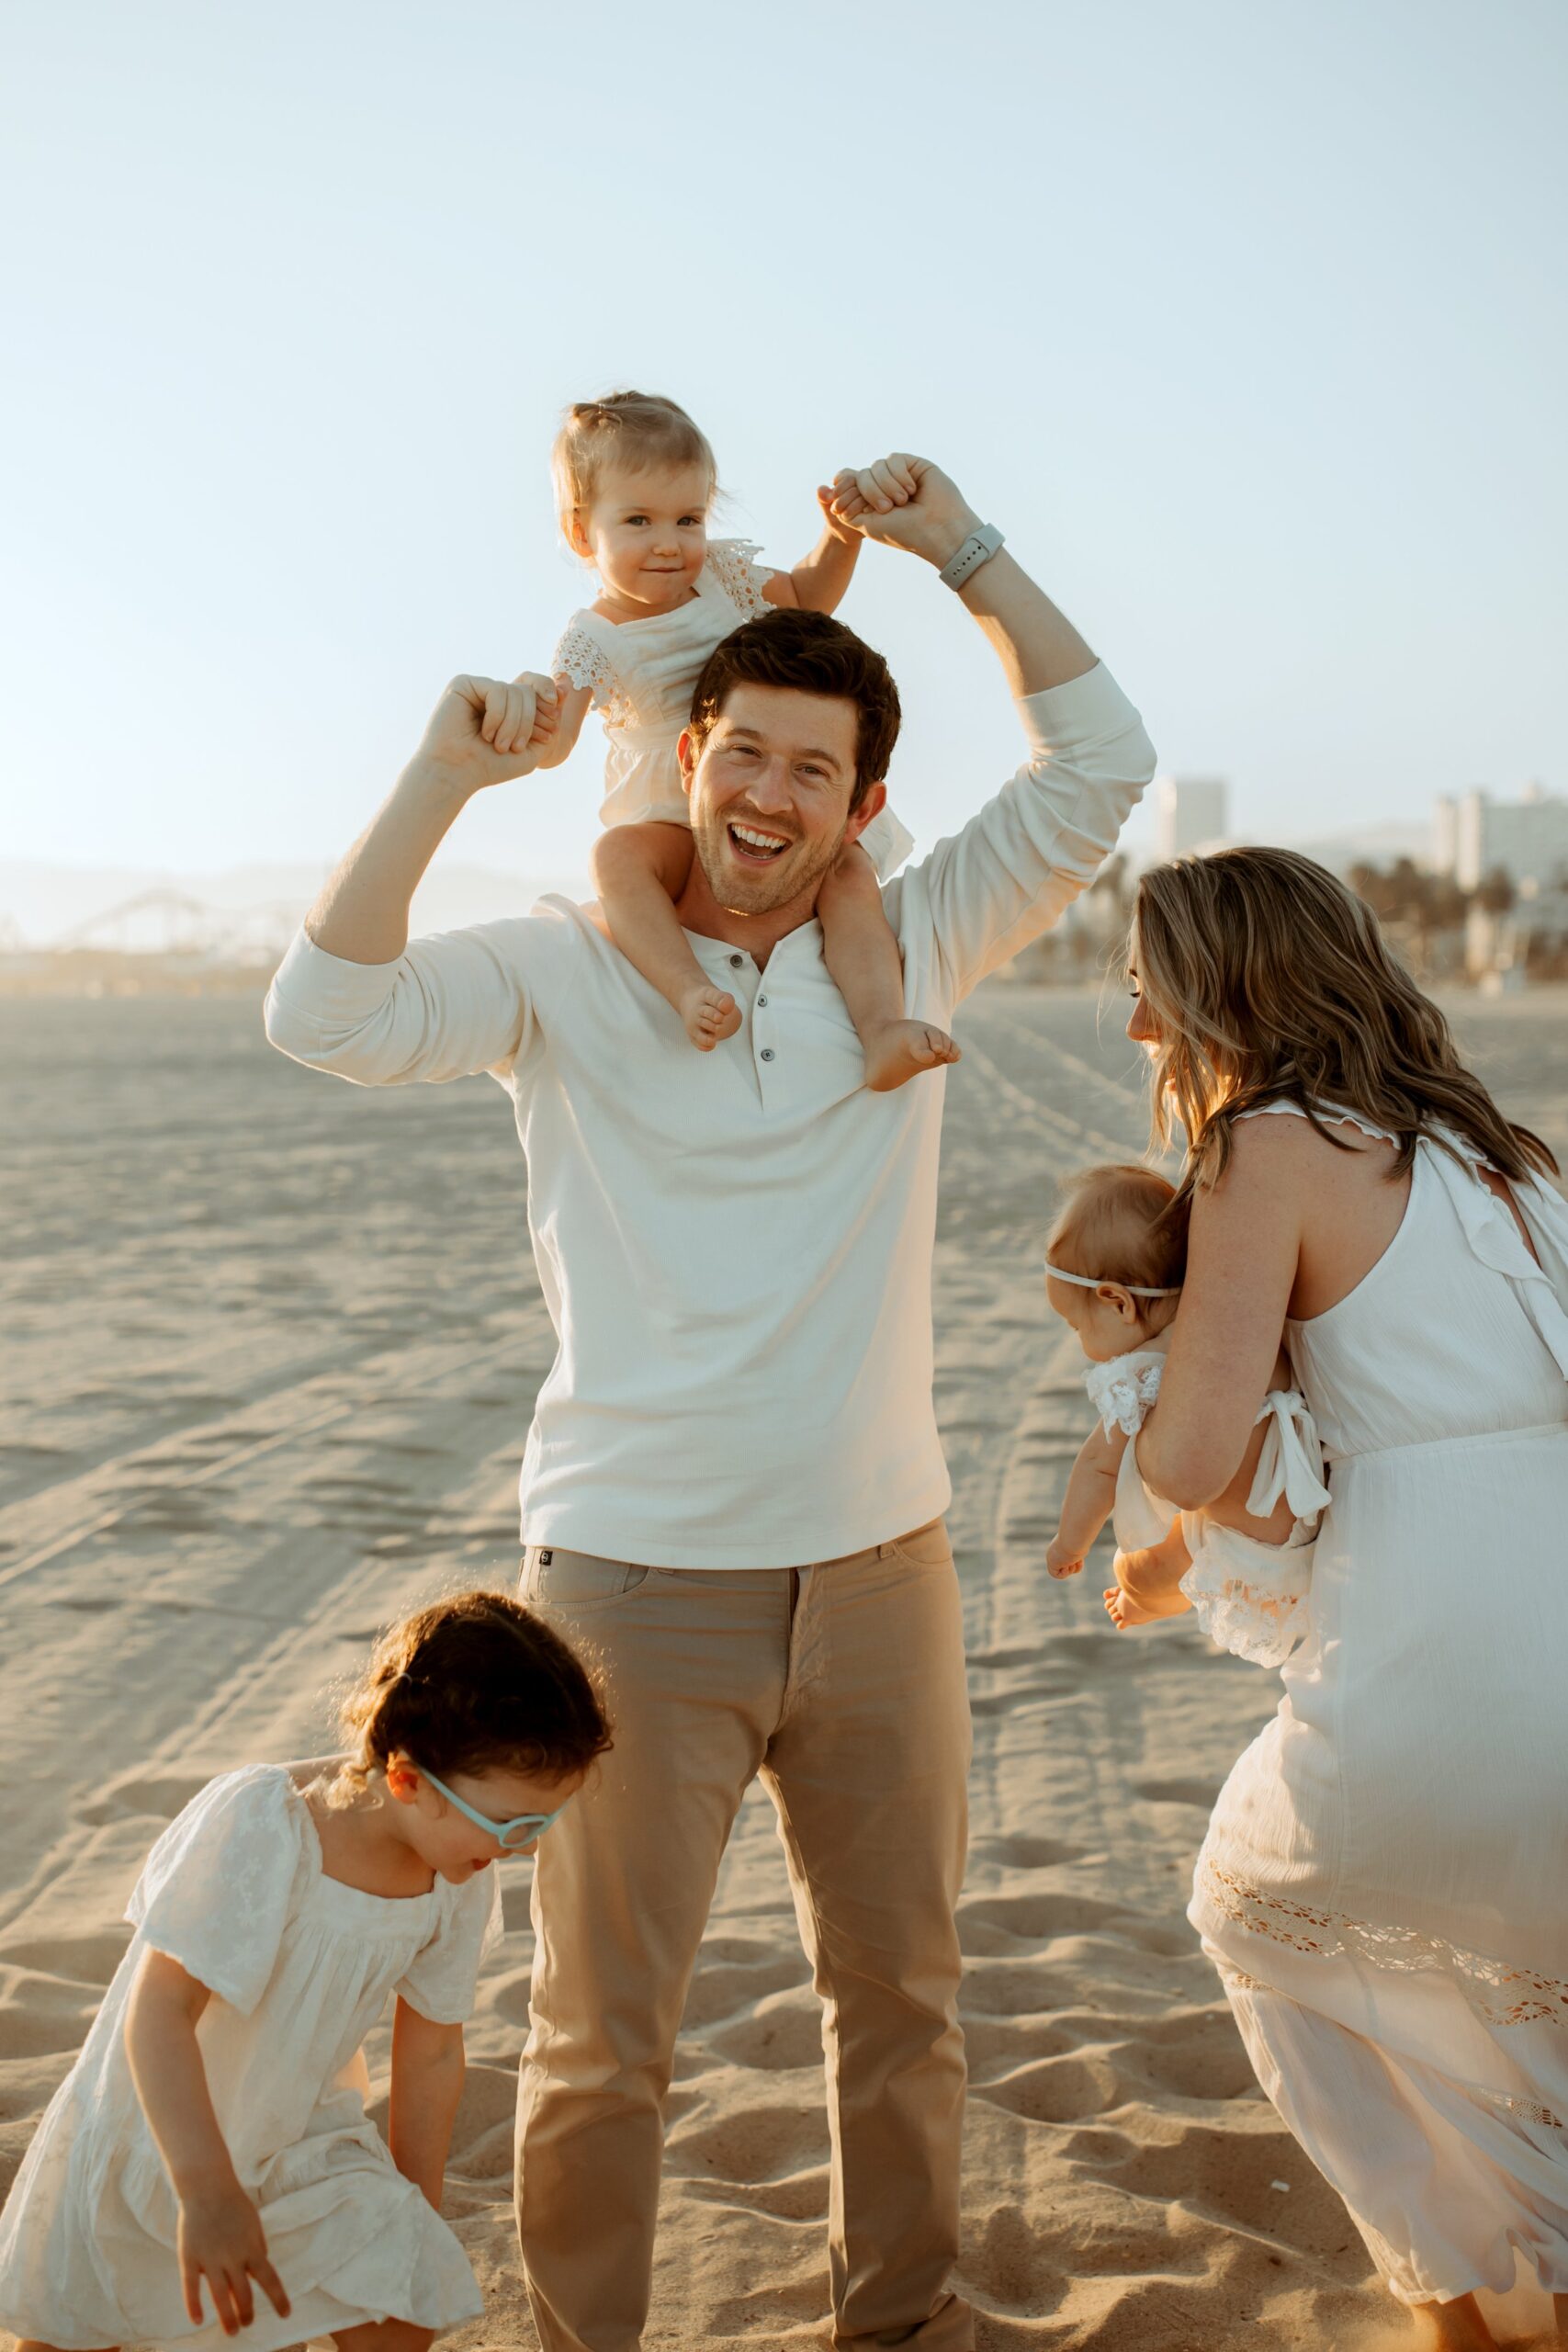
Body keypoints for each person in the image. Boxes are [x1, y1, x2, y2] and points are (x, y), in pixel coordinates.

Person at [263, 449, 1156, 2352]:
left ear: (862, 802)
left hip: (881, 1571)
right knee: (601, 2039)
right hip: (625, 1587)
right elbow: (320, 1016)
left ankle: (892, 2327)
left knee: (904, 2001)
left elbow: (1099, 761)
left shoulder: (910, 940)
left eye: (808, 767)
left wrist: (962, 552)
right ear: (690, 756)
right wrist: (443, 775)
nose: (764, 792)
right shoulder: (569, 972)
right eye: (738, 751)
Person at [1122, 846, 1568, 2350]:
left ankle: (1451, 2300)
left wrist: (1123, 1361)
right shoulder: (1495, 1149)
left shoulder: (1262, 1147)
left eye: (1147, 990)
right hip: (1550, 1574)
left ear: (1212, 991)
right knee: (1522, 1968)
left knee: (1259, 1906)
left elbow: (1196, 1454)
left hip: (1441, 1619)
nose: (1137, 1029)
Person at [0, 1590, 610, 2352]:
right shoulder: (268, 1823)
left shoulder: (456, 1871)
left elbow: (430, 2054)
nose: (524, 1847)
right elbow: (157, 2014)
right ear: (407, 1778)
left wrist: (413, 2217)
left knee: (402, 2304)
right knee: (81, 2327)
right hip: (165, 2135)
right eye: (511, 1823)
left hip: (298, 2136)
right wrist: (208, 2193)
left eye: (544, 1823)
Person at [536, 389, 957, 1090]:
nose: (668, 542)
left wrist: (840, 536)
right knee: (617, 859)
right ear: (583, 533)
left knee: (848, 875)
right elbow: (554, 742)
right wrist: (526, 706)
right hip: (675, 808)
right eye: (637, 520)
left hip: (754, 777)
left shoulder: (722, 577)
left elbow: (806, 594)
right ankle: (684, 988)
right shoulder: (593, 637)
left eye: (688, 517)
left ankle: (880, 1025)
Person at [1042, 1162, 1328, 1659]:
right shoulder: (1243, 1319)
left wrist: (1069, 1544)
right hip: (1312, 1519)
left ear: (1117, 1303)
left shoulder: (1147, 1366)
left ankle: (1146, 1603)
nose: (1084, 1345)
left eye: (1077, 1327)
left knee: (1135, 1568)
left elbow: (1099, 1464)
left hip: (1239, 1548)